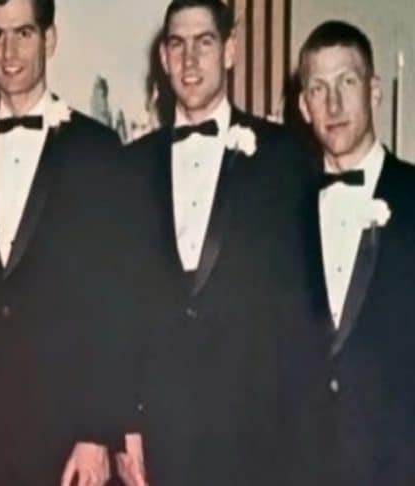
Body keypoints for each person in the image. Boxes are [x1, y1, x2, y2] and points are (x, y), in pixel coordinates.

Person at [119, 1, 318, 484]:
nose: (190, 60)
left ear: (229, 51)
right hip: (161, 430)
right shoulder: (130, 166)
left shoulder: (285, 156)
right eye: (177, 45)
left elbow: (303, 303)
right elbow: (116, 305)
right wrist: (123, 423)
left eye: (204, 43)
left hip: (257, 430)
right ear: (163, 58)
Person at [0, 1, 132, 485]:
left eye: (23, 33)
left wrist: (96, 432)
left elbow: (116, 301)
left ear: (50, 39)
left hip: (66, 433)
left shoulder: (97, 150)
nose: (9, 52)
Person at [297, 20, 415, 486]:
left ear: (374, 91)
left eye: (346, 82)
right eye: (318, 88)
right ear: (303, 106)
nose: (333, 104)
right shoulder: (281, 209)